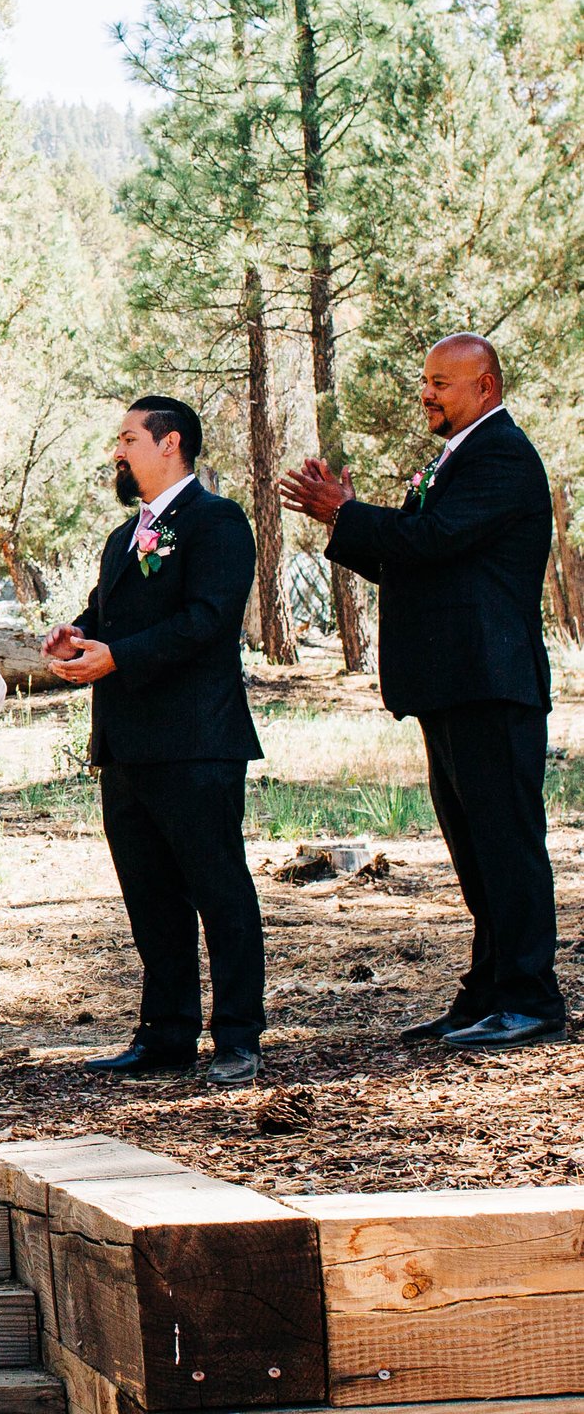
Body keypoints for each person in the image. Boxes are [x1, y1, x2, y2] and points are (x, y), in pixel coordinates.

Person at [280, 335, 562, 1049]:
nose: (427, 393)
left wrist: (347, 512)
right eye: (426, 380)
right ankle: (486, 993)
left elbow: (431, 540)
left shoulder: (500, 454)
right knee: (474, 848)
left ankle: (531, 1000)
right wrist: (341, 519)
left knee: (506, 844)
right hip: (454, 682)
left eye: (442, 382)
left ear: (486, 387)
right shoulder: (454, 458)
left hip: (491, 681)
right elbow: (417, 558)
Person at [45, 398, 265, 1085]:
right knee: (150, 897)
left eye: (129, 438)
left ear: (170, 444)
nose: (119, 451)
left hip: (196, 741)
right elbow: (111, 613)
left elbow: (207, 620)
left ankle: (237, 1037)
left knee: (217, 889)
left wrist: (120, 658)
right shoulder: (123, 538)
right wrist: (75, 637)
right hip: (127, 744)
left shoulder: (217, 522)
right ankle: (166, 1034)